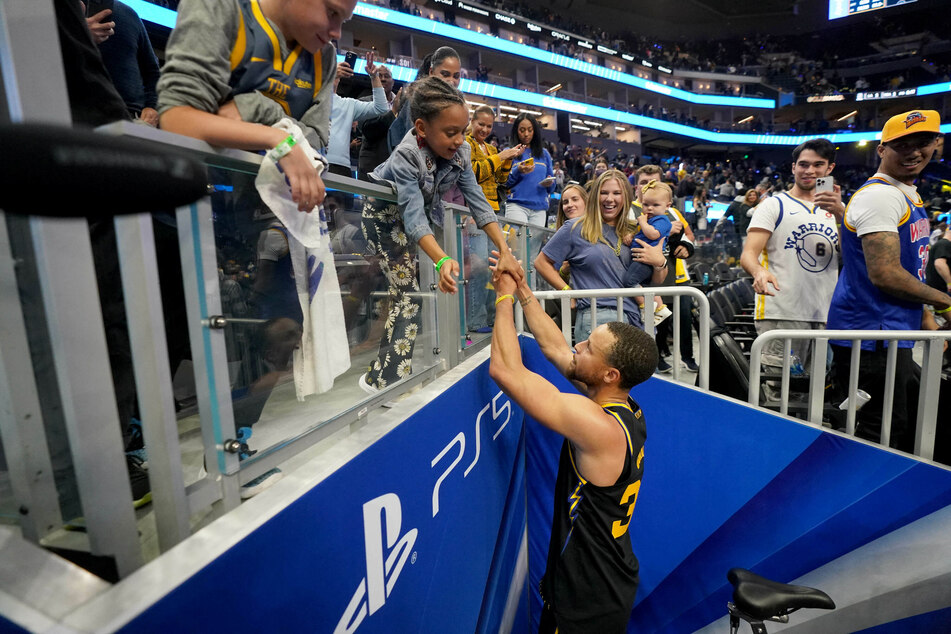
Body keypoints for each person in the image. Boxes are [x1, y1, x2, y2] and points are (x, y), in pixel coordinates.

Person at [488, 262, 658, 633]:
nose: (578, 345)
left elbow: (505, 369)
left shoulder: (598, 427)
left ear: (610, 373)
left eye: (589, 347)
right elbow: (556, 349)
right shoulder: (622, 404)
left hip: (586, 598)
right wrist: (522, 290)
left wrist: (502, 296)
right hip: (605, 578)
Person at [360, 77, 522, 391]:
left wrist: (503, 248)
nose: (460, 140)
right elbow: (413, 214)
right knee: (409, 298)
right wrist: (441, 260)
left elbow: (478, 202)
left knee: (407, 297)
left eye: (463, 131)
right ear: (422, 128)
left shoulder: (460, 152)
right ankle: (388, 383)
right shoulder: (407, 155)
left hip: (410, 224)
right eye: (451, 132)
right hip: (382, 218)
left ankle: (380, 377)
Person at [827, 110, 951, 451]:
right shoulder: (881, 197)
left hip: (889, 332)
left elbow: (909, 269)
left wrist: (924, 314)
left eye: (923, 142)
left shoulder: (906, 193)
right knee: (877, 436)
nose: (913, 152)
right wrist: (945, 301)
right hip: (869, 336)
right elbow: (885, 274)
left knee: (897, 428)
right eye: (902, 145)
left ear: (937, 144)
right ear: (882, 150)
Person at [157, 0, 350, 212]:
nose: (338, 33)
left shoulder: (325, 56)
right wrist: (278, 139)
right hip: (182, 202)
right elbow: (176, 120)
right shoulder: (221, 6)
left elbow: (316, 143)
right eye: (332, 12)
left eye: (344, 20)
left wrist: (255, 108)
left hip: (258, 215)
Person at [740, 138, 845, 374]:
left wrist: (841, 215)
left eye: (818, 165)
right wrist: (759, 271)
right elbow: (748, 254)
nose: (810, 171)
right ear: (793, 167)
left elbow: (849, 257)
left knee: (818, 392)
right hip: (782, 312)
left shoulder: (838, 210)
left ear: (829, 169)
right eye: (803, 164)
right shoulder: (773, 205)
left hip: (825, 313)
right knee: (781, 392)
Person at [535, 170, 669, 343]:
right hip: (598, 318)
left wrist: (660, 262)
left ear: (626, 197)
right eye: (604, 193)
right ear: (595, 196)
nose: (609, 199)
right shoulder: (575, 227)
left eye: (616, 193)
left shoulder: (636, 230)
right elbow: (542, 262)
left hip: (639, 320)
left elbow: (657, 280)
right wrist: (568, 292)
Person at [629, 165, 698, 373]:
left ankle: (688, 357)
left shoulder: (673, 211)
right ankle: (657, 359)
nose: (648, 186)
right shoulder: (632, 211)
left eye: (654, 182)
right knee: (656, 321)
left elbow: (689, 236)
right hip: (649, 275)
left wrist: (685, 247)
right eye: (643, 182)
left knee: (684, 318)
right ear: (636, 186)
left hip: (677, 274)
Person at [464, 106, 524, 333]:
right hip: (474, 213)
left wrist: (508, 159)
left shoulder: (490, 148)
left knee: (494, 269)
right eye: (481, 124)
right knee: (479, 269)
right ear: (472, 121)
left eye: (489, 126)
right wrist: (501, 156)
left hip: (494, 212)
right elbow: (472, 174)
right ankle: (476, 320)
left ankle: (490, 317)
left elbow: (501, 179)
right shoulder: (466, 145)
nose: (485, 129)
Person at [96, 0, 161, 125]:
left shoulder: (129, 14)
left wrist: (152, 106)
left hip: (133, 118)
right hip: (81, 115)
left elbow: (152, 71)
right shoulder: (64, 12)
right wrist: (82, 30)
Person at [386, 46, 462, 152]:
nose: (451, 81)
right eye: (445, 74)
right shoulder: (416, 101)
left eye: (456, 76)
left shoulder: (453, 104)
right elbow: (413, 146)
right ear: (431, 72)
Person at [325, 52, 388, 178]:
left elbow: (381, 108)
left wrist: (374, 76)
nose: (335, 78)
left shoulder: (348, 104)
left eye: (337, 75)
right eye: (331, 73)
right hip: (311, 159)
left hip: (341, 166)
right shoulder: (310, 97)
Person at [504, 113, 556, 260]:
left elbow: (551, 188)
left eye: (530, 130)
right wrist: (517, 171)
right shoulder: (511, 152)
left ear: (535, 131)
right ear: (516, 131)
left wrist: (550, 182)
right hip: (517, 206)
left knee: (532, 256)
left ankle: (529, 284)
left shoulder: (544, 154)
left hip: (539, 209)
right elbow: (504, 183)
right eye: (522, 130)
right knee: (517, 253)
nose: (526, 134)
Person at [623, 180, 673, 326]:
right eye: (646, 205)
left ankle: (646, 306)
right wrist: (631, 236)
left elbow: (652, 235)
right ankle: (660, 307)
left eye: (655, 205)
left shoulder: (663, 220)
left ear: (667, 206)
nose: (649, 209)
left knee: (629, 282)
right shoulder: (649, 220)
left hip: (644, 260)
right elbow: (642, 235)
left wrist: (643, 223)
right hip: (639, 258)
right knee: (641, 285)